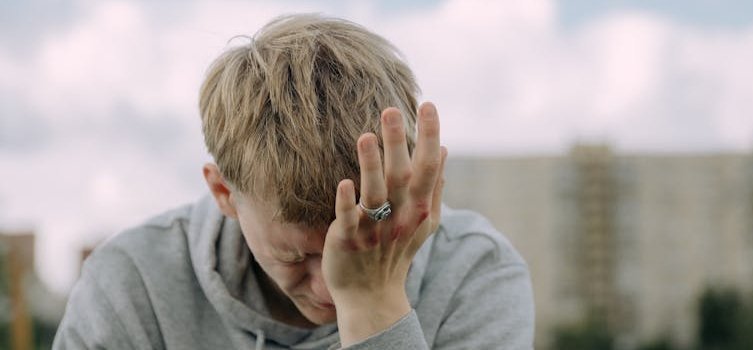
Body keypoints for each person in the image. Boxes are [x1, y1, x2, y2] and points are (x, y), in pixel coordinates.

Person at [53, 14, 534, 349]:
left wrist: (373, 305)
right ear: (224, 193)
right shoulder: (131, 285)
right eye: (297, 256)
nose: (331, 286)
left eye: (370, 236)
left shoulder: (476, 273)